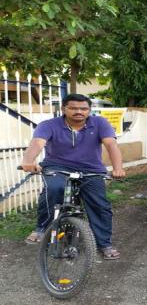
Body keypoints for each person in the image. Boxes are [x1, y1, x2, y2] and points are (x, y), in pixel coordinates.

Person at [21, 94, 126, 260]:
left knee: (100, 205)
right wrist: (28, 160)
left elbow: (111, 144)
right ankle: (41, 228)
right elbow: (37, 143)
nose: (79, 112)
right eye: (74, 108)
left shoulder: (99, 123)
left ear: (89, 110)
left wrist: (118, 168)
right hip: (57, 167)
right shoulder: (48, 125)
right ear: (63, 109)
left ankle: (104, 243)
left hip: (91, 169)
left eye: (84, 109)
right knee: (54, 189)